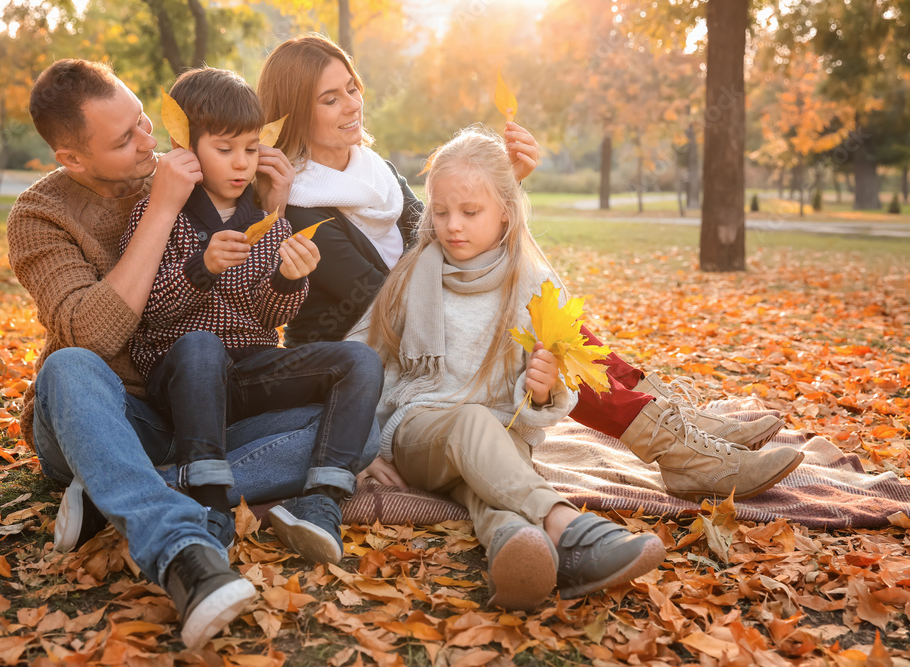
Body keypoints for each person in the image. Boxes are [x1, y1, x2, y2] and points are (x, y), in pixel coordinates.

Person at [256, 34, 804, 501]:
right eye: (331, 99)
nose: (352, 104)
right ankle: (673, 444)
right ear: (296, 113)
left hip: (427, 319)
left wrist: (503, 184)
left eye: (352, 87)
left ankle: (670, 423)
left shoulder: (374, 173)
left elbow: (446, 237)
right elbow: (384, 293)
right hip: (382, 358)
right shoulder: (298, 201)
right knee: (534, 321)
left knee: (550, 317)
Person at [5, 59, 366, 651]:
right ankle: (182, 552)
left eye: (144, 121)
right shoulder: (40, 216)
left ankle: (119, 489)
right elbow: (90, 337)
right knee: (68, 368)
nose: (149, 143)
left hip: (202, 412)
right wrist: (163, 209)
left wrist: (269, 205)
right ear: (73, 158)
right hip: (105, 415)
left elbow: (255, 300)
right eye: (125, 140)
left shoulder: (202, 175)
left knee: (362, 433)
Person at [347, 127, 666, 611]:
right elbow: (356, 359)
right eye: (441, 211)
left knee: (490, 490)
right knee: (472, 422)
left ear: (506, 211)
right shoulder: (414, 274)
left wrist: (541, 393)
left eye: (470, 212)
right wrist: (361, 445)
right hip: (421, 432)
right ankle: (567, 524)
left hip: (505, 435)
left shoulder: (535, 284)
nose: (453, 225)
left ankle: (517, 549)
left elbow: (548, 402)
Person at [119, 66, 383, 564]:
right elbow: (148, 312)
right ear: (187, 147)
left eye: (250, 148)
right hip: (183, 378)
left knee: (359, 363)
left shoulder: (264, 220)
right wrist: (202, 267)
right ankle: (210, 503)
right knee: (202, 345)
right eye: (225, 150)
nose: (241, 164)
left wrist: (288, 278)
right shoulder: (158, 214)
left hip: (250, 370)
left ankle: (321, 501)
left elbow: (270, 318)